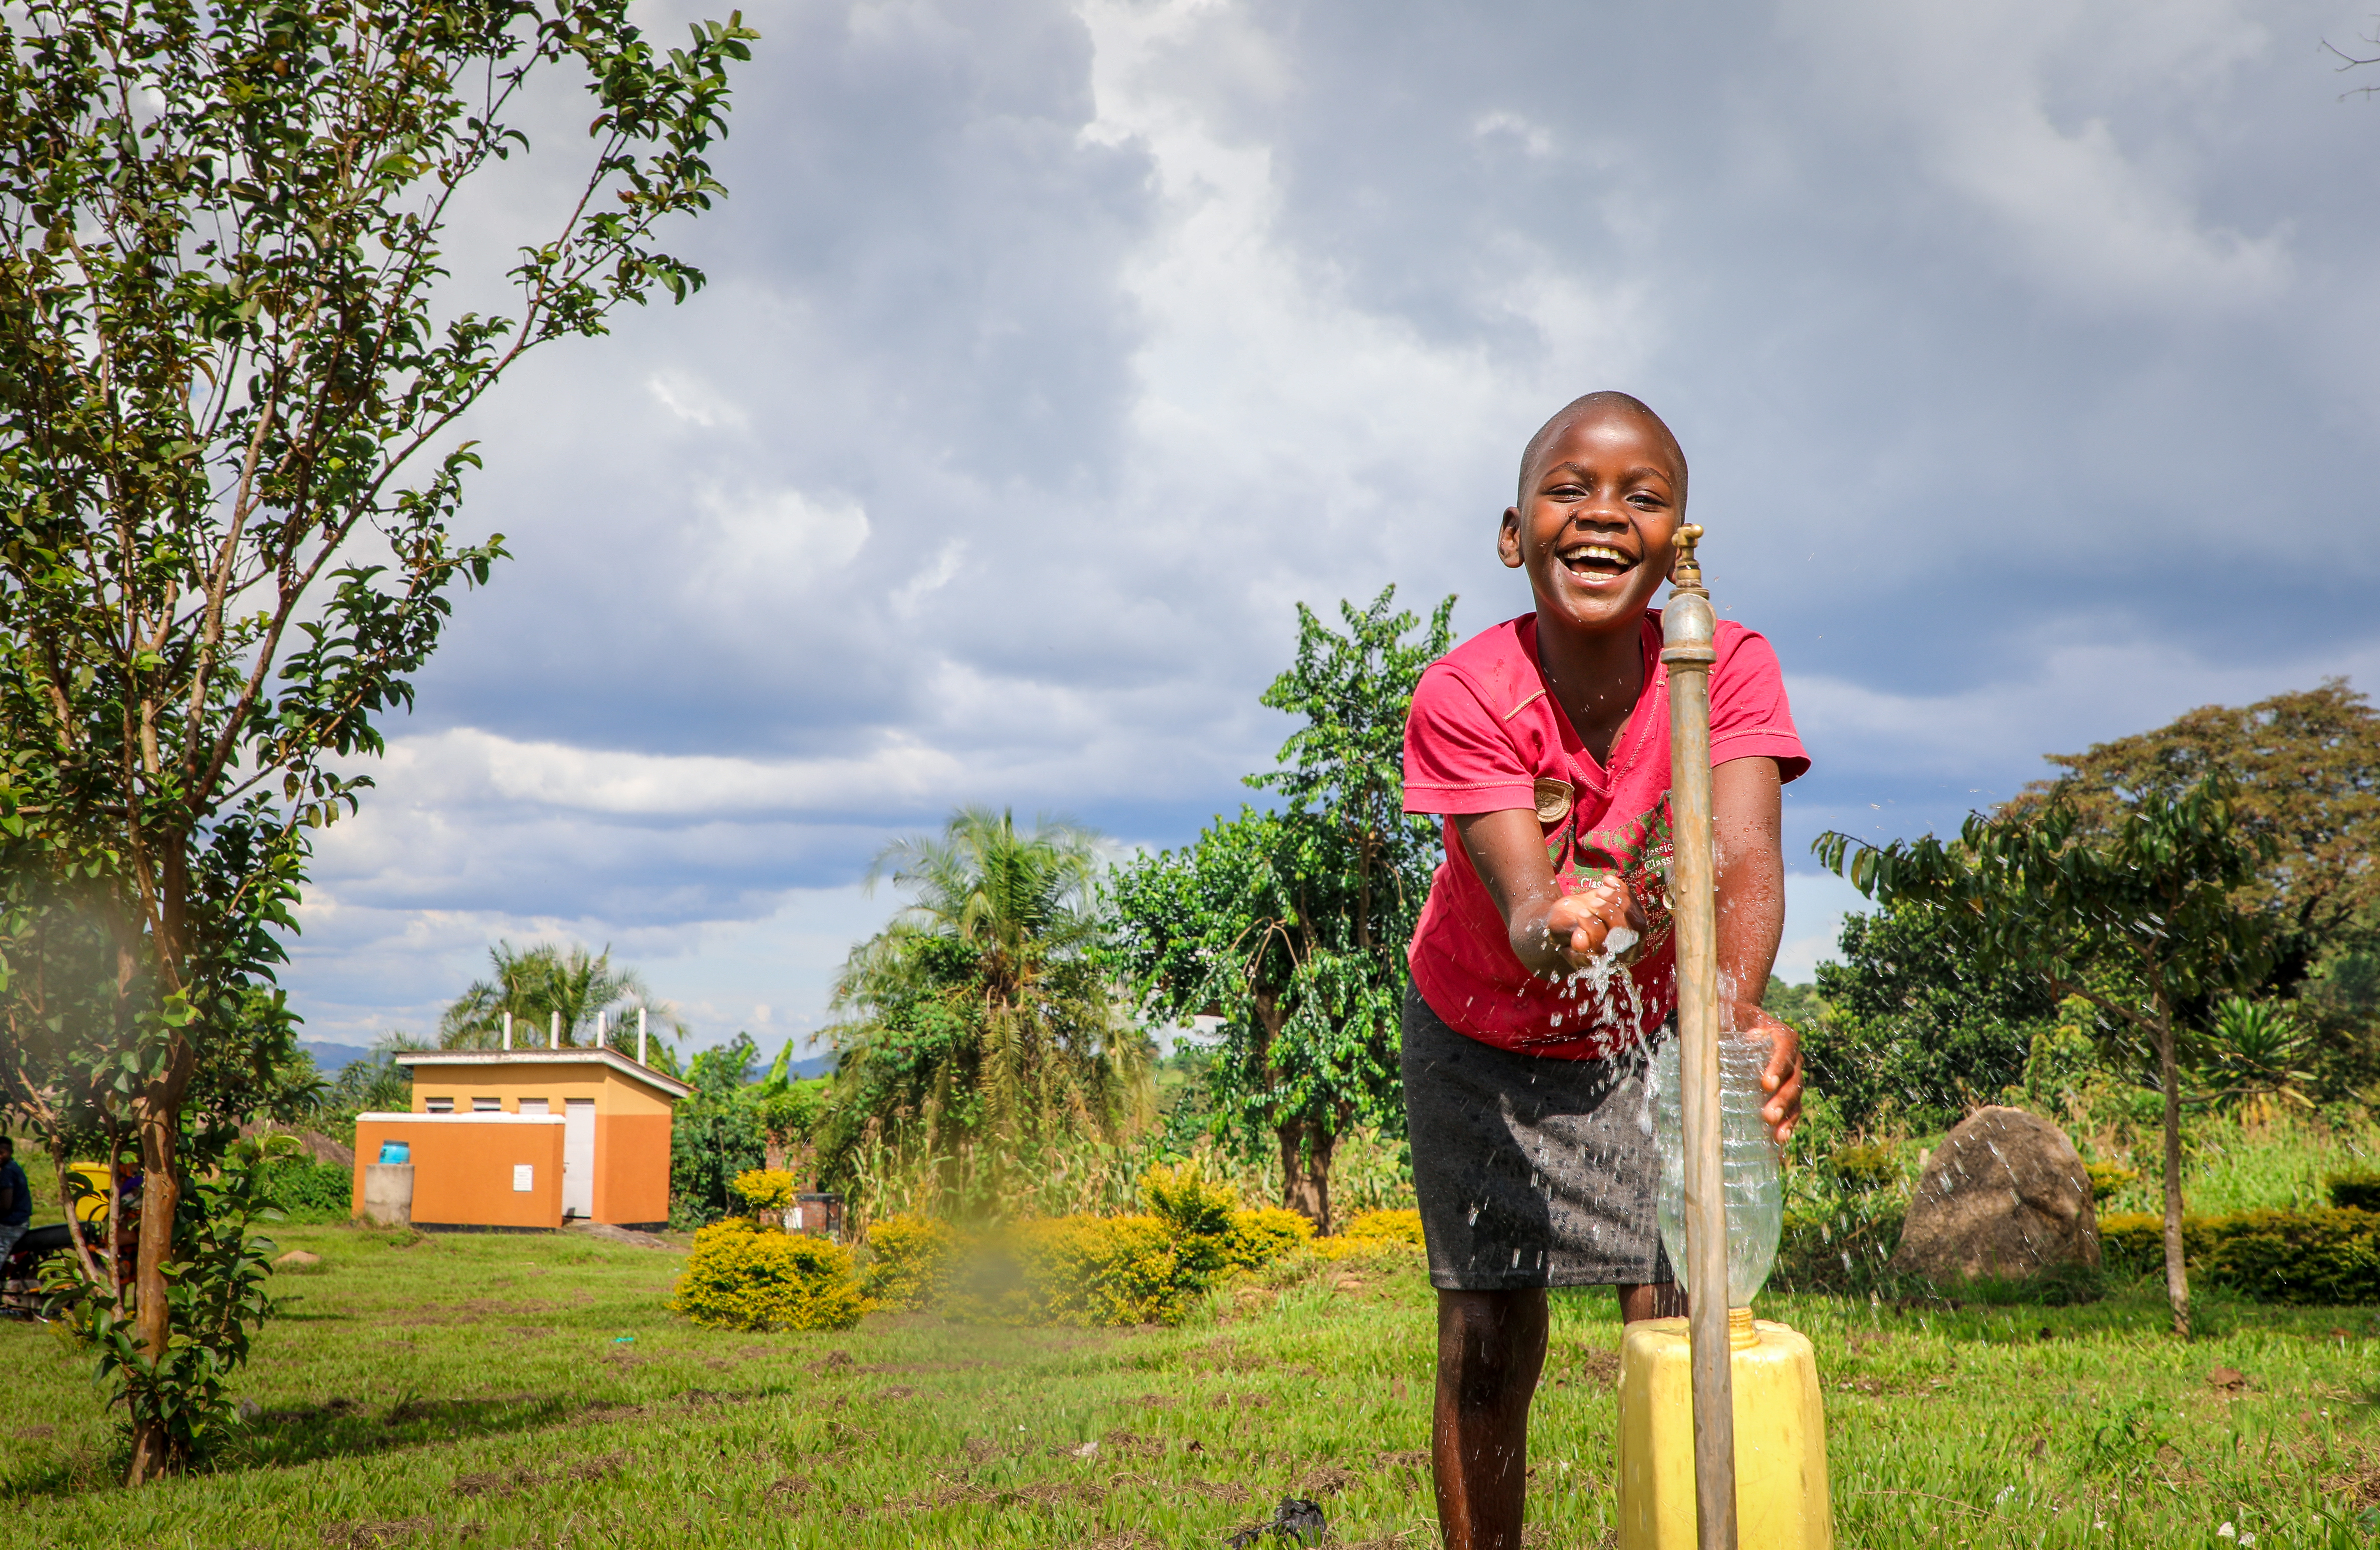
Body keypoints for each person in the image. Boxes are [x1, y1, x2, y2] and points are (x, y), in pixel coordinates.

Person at [1399, 391, 1808, 1550]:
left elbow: (1741, 854)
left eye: (1643, 495)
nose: (1602, 514)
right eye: (1567, 487)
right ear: (1511, 531)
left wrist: (1729, 1026)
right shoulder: (1466, 692)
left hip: (1650, 1036)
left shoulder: (1721, 664)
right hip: (1477, 1032)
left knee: (1680, 1327)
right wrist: (1562, 918)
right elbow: (1526, 906)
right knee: (1487, 1337)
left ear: (1681, 538)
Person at [0, 1135, 30, 1262]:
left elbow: (6, 1205)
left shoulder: (7, 1172)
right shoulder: (14, 1167)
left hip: (12, 1223)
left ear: (11, 1152)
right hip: (20, 1220)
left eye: (2, 1153)